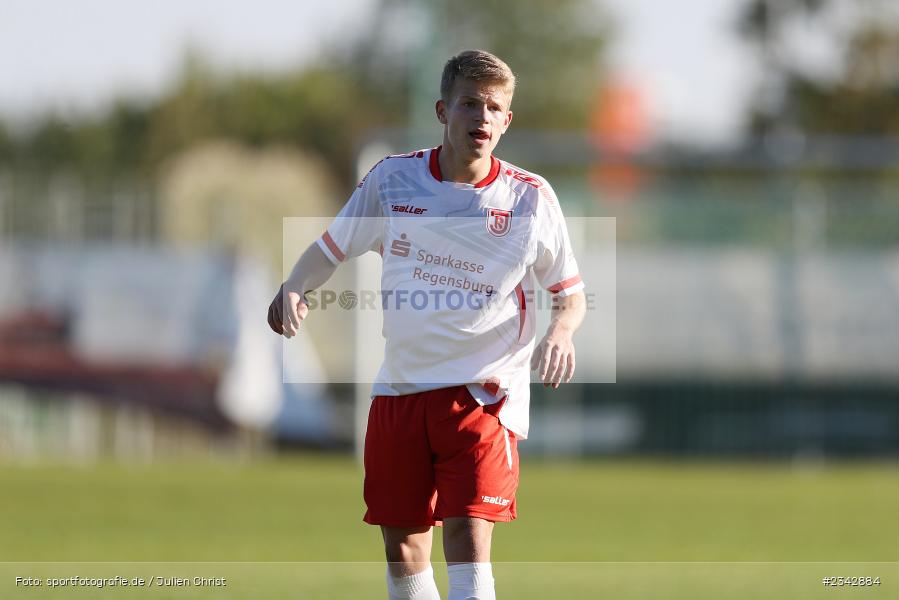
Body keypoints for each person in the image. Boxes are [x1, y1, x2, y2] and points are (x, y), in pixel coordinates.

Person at [268, 50, 586, 600]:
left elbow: (570, 294)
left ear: (507, 120)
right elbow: (332, 246)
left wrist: (561, 331)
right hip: (402, 389)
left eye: (494, 108)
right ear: (444, 110)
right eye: (470, 104)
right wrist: (295, 286)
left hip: (482, 395)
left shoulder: (530, 198)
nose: (481, 118)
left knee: (466, 538)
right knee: (405, 551)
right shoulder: (394, 180)